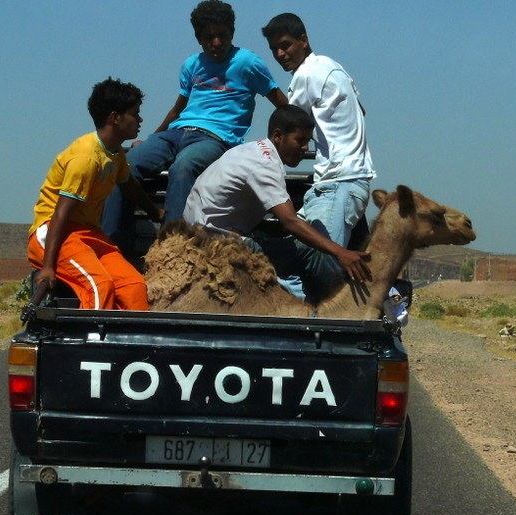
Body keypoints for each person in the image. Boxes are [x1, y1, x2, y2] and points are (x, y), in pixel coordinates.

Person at [101, 0, 288, 253]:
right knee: (125, 164)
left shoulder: (247, 62)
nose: (217, 43)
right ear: (199, 38)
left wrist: (288, 137)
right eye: (209, 37)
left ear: (232, 32)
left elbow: (281, 104)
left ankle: (172, 250)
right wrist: (152, 138)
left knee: (184, 167)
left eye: (222, 35)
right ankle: (111, 248)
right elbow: (178, 109)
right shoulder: (192, 65)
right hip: (178, 131)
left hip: (215, 138)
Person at [183, 105, 371, 305]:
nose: (305, 148)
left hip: (201, 234)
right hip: (220, 244)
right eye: (300, 140)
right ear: (278, 136)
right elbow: (290, 221)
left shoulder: (249, 151)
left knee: (286, 242)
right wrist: (341, 252)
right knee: (314, 252)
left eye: (308, 141)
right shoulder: (265, 165)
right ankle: (337, 311)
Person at [261, 13, 376, 297]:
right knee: (301, 259)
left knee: (315, 271)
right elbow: (359, 112)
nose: (280, 54)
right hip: (347, 179)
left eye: (286, 45)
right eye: (275, 49)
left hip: (339, 182)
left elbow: (287, 130)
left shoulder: (307, 74)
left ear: (304, 40)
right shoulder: (333, 68)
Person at [27, 78, 163, 311]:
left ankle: (131, 345)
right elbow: (61, 213)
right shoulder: (86, 159)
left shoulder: (115, 153)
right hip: (54, 232)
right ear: (115, 117)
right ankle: (95, 344)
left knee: (134, 286)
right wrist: (48, 267)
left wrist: (157, 212)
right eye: (135, 114)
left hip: (88, 233)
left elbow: (129, 186)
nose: (140, 120)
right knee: (99, 286)